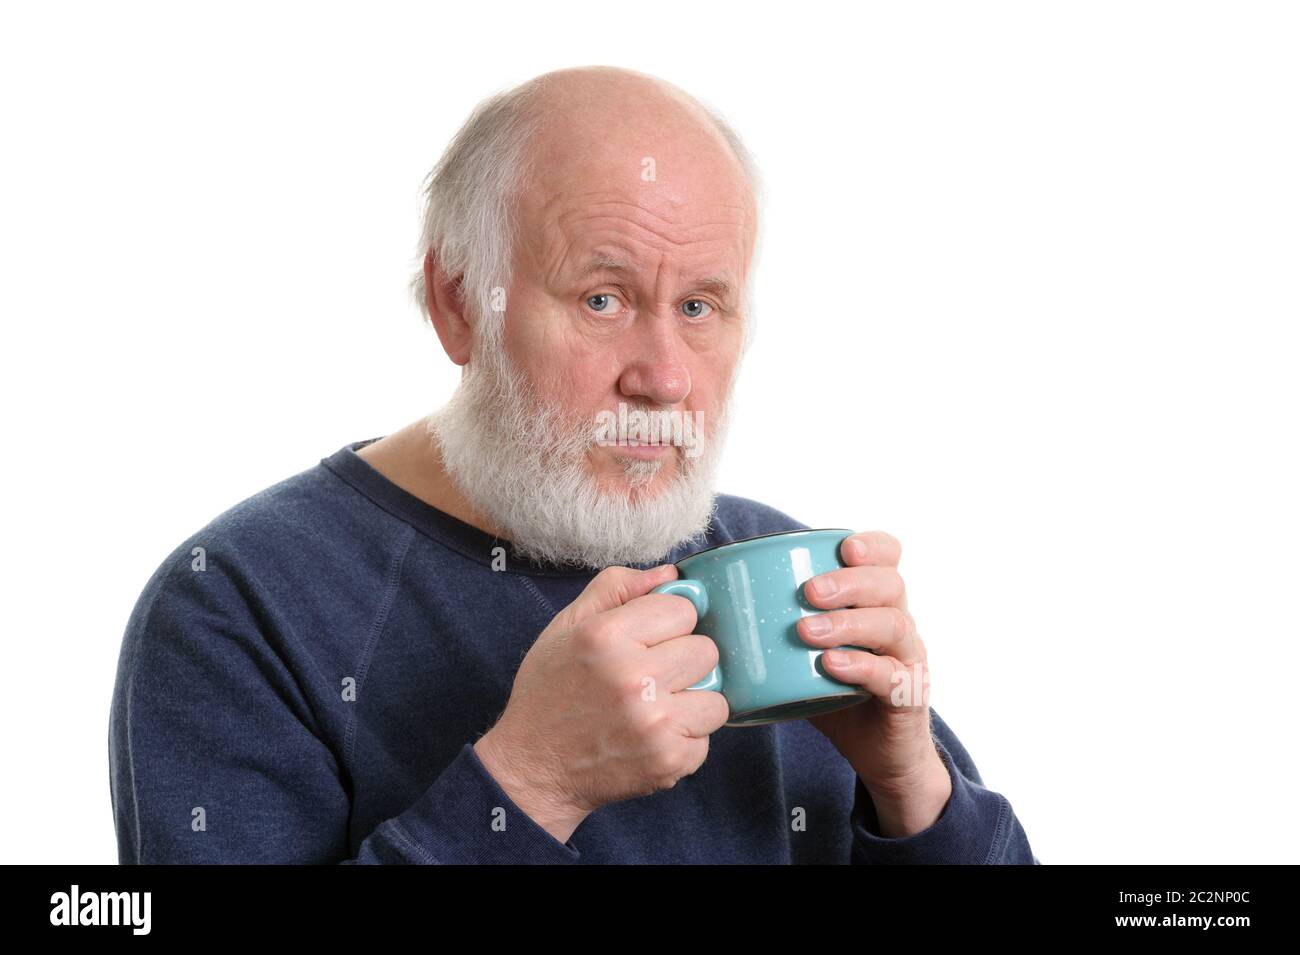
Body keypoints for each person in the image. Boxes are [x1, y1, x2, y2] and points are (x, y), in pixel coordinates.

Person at [109, 65, 1038, 864]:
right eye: (603, 297)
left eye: (702, 306)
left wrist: (912, 788)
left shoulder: (777, 568)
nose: (665, 377)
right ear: (459, 303)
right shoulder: (235, 607)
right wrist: (532, 783)